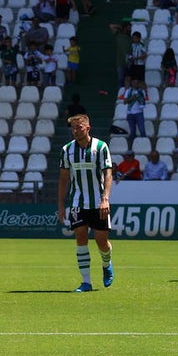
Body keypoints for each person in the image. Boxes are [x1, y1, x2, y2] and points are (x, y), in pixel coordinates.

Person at [57, 114, 115, 292]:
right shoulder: (67, 150)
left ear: (87, 128)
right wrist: (60, 205)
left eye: (79, 127)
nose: (75, 131)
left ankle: (107, 264)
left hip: (98, 202)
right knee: (80, 238)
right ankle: (86, 282)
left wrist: (105, 198)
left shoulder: (101, 147)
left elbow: (108, 174)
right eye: (73, 128)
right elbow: (64, 179)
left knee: (101, 241)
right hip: (77, 202)